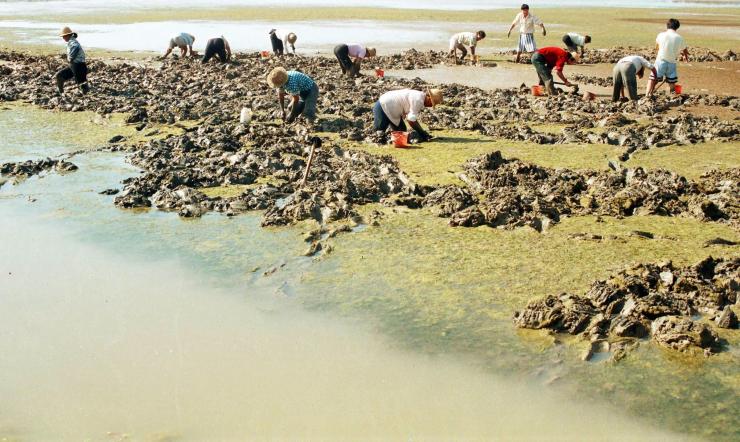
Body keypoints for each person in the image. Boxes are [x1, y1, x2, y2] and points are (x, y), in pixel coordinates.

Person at [373, 88, 443, 142]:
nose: (431, 106)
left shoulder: (418, 95)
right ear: (429, 98)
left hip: (387, 105)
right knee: (379, 134)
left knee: (401, 131)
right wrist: (423, 134)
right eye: (432, 103)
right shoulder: (418, 100)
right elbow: (411, 120)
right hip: (383, 106)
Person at [647, 18, 689, 96]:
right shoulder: (679, 37)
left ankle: (648, 94)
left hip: (660, 61)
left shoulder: (661, 34)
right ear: (677, 27)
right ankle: (672, 96)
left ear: (667, 26)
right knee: (672, 82)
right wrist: (685, 56)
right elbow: (685, 50)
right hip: (672, 63)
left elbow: (657, 47)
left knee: (652, 79)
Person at [55, 27, 89, 94]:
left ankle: (86, 97)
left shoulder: (72, 42)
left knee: (82, 85)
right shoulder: (71, 41)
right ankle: (60, 93)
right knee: (59, 75)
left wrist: (71, 57)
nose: (63, 38)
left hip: (79, 66)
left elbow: (76, 47)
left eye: (64, 36)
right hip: (74, 65)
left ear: (67, 35)